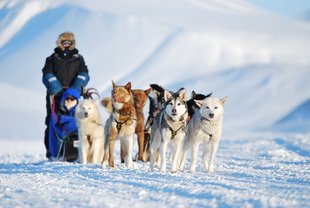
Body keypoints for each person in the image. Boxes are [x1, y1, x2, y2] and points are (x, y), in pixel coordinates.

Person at [42, 32, 89, 159]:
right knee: (52, 122)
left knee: (77, 121)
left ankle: (75, 151)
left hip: (74, 96)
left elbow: (84, 74)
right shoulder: (52, 58)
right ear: (60, 43)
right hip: (56, 95)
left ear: (72, 43)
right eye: (64, 42)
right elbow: (47, 74)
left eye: (69, 42)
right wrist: (56, 88)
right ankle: (52, 152)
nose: (67, 44)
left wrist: (74, 90)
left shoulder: (79, 59)